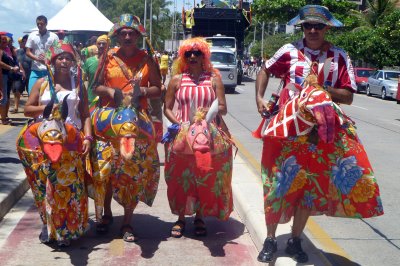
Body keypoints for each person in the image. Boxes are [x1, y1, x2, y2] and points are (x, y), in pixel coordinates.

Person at [255, 5, 383, 263]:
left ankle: (294, 239)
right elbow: (265, 70)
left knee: (308, 187)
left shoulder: (339, 56)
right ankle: (270, 239)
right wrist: (259, 98)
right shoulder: (289, 51)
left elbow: (347, 96)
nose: (312, 30)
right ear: (301, 28)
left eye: (318, 26)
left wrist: (321, 88)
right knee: (276, 183)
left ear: (327, 28)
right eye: (307, 26)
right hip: (285, 129)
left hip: (319, 133)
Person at [93, 13, 162, 242]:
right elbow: (96, 87)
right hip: (109, 121)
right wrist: (112, 92)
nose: (127, 36)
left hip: (136, 121)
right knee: (106, 168)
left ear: (138, 35)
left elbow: (157, 89)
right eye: (122, 33)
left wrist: (141, 92)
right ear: (117, 36)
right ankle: (107, 214)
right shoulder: (108, 56)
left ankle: (127, 222)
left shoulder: (148, 59)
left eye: (131, 32)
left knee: (132, 172)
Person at [17, 40, 91, 247]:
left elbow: (85, 114)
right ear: (53, 61)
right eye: (60, 58)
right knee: (44, 186)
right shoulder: (41, 83)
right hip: (45, 142)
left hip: (71, 143)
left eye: (68, 58)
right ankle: (47, 224)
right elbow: (27, 110)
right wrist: (47, 108)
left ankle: (68, 229)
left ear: (74, 62)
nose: (64, 61)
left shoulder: (78, 85)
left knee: (69, 187)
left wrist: (88, 138)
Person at [163, 37, 234, 238]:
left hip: (208, 134)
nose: (193, 56)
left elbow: (223, 108)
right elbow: (167, 108)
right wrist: (178, 124)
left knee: (205, 176)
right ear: (183, 57)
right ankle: (180, 218)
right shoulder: (176, 80)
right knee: (180, 177)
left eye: (197, 53)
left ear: (204, 56)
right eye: (188, 53)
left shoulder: (214, 79)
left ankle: (200, 216)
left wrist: (205, 117)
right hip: (183, 134)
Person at [26, 15, 59, 94]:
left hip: (49, 70)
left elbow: (57, 52)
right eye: (38, 24)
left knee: (49, 94)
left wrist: (47, 58)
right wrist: (37, 59)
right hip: (35, 70)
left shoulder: (53, 36)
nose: (39, 26)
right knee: (31, 93)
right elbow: (27, 52)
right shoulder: (32, 35)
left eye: (41, 24)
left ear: (46, 24)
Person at [82, 35, 109, 105]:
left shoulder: (111, 61)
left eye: (104, 44)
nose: (101, 46)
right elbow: (82, 80)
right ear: (96, 45)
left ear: (108, 45)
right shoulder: (89, 61)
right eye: (99, 43)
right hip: (91, 99)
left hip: (107, 100)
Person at [0, 34, 20, 125]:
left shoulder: (8, 50)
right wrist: (11, 68)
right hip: (2, 76)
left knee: (6, 96)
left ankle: (5, 116)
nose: (4, 42)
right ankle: (3, 119)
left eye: (5, 40)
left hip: (7, 76)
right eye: (2, 40)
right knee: (3, 97)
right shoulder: (1, 51)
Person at [12, 35, 31, 113]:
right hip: (20, 74)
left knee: (31, 92)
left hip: (30, 74)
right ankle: (16, 107)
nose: (25, 42)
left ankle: (30, 108)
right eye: (24, 41)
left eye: (27, 41)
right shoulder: (18, 51)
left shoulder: (32, 51)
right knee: (17, 90)